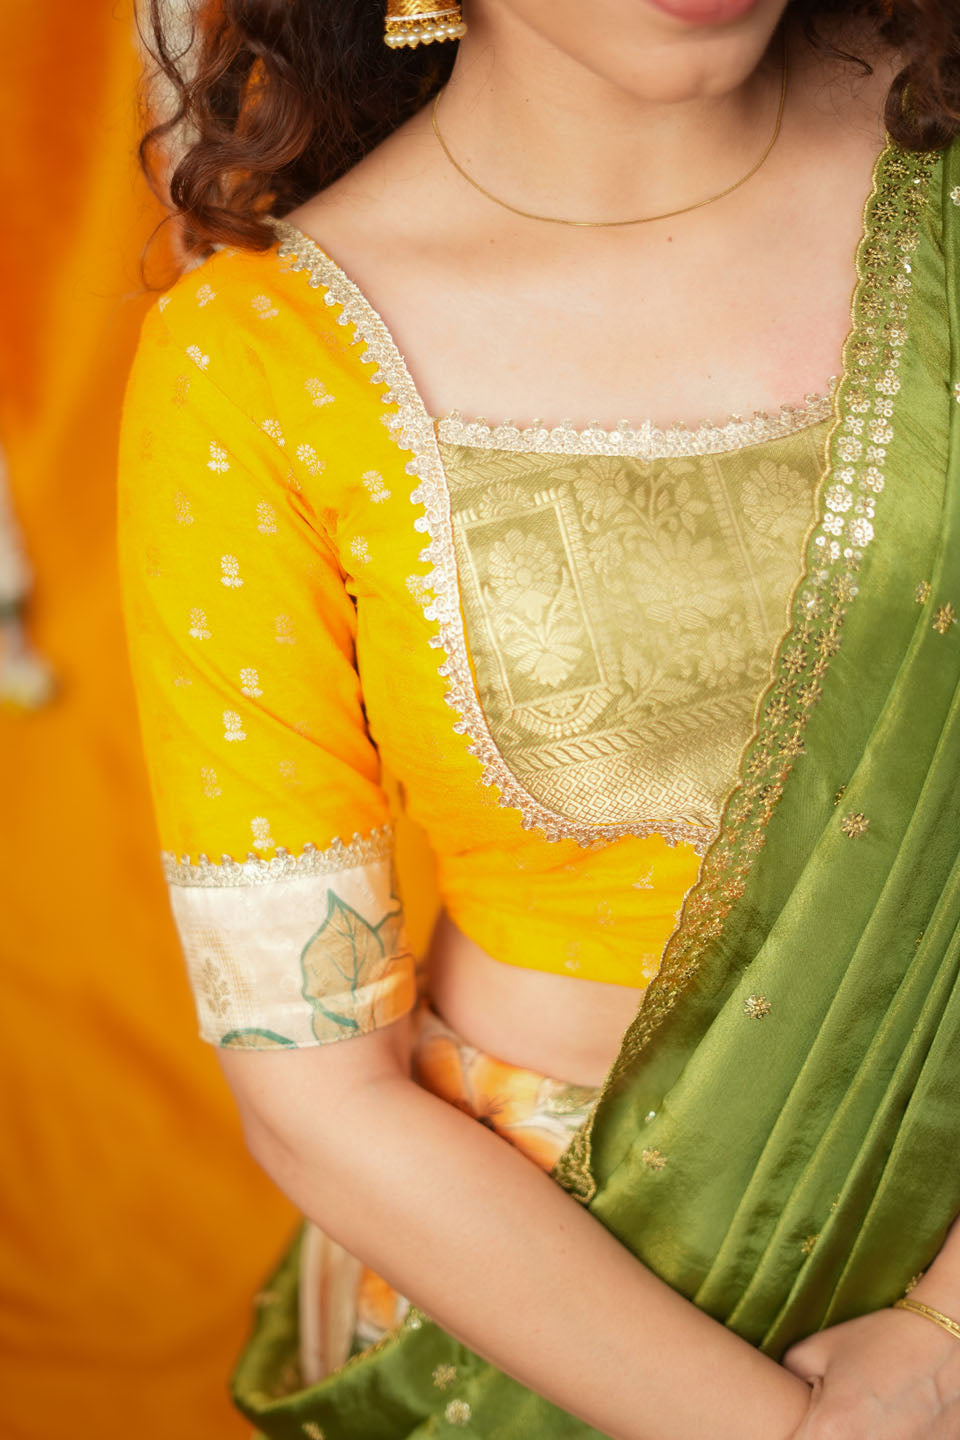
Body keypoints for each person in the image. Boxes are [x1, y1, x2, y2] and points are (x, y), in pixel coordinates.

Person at [118, 1, 960, 1435]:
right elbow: (314, 1094)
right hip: (537, 1296)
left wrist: (943, 1332)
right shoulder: (260, 361)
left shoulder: (939, 165)